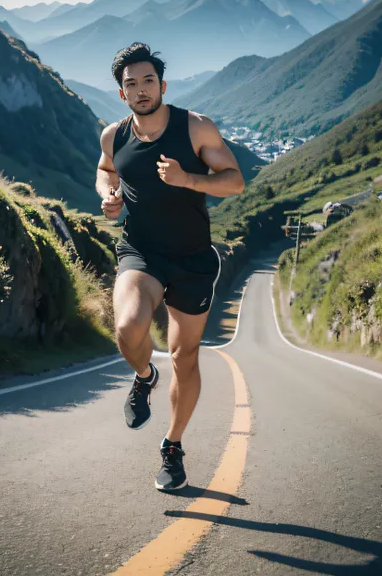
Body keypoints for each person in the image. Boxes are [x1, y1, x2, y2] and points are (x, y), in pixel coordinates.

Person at [95, 42, 245, 491]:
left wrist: (188, 179)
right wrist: (108, 195)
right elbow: (106, 168)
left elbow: (234, 181)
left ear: (162, 85)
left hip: (194, 259)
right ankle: (144, 377)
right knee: (127, 328)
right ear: (122, 94)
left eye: (147, 82)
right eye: (131, 85)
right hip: (141, 251)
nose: (140, 91)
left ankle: (173, 447)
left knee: (185, 356)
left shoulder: (195, 128)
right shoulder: (114, 136)